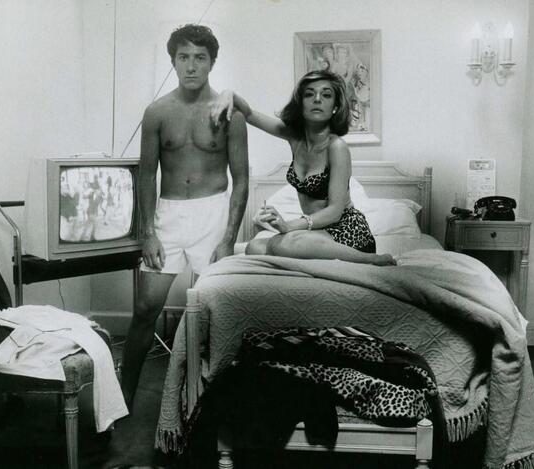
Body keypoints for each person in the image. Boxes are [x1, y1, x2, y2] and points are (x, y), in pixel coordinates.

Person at [120, 24, 249, 412]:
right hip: (170, 215)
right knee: (145, 309)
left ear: (212, 62)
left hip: (214, 213)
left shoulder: (229, 115)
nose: (191, 66)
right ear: (173, 61)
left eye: (200, 58)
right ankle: (123, 400)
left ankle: (214, 404)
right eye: (183, 57)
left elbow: (242, 179)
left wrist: (228, 237)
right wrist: (148, 233)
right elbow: (147, 174)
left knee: (217, 313)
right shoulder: (157, 112)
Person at [210, 69, 394, 266]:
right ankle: (299, 247)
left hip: (347, 231)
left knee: (286, 243)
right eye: (309, 94)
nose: (317, 99)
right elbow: (248, 114)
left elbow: (335, 211)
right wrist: (228, 93)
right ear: (301, 104)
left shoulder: (336, 147)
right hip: (316, 232)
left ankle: (370, 259)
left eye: (326, 95)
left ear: (335, 107)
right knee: (253, 247)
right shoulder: (294, 139)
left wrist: (289, 226)